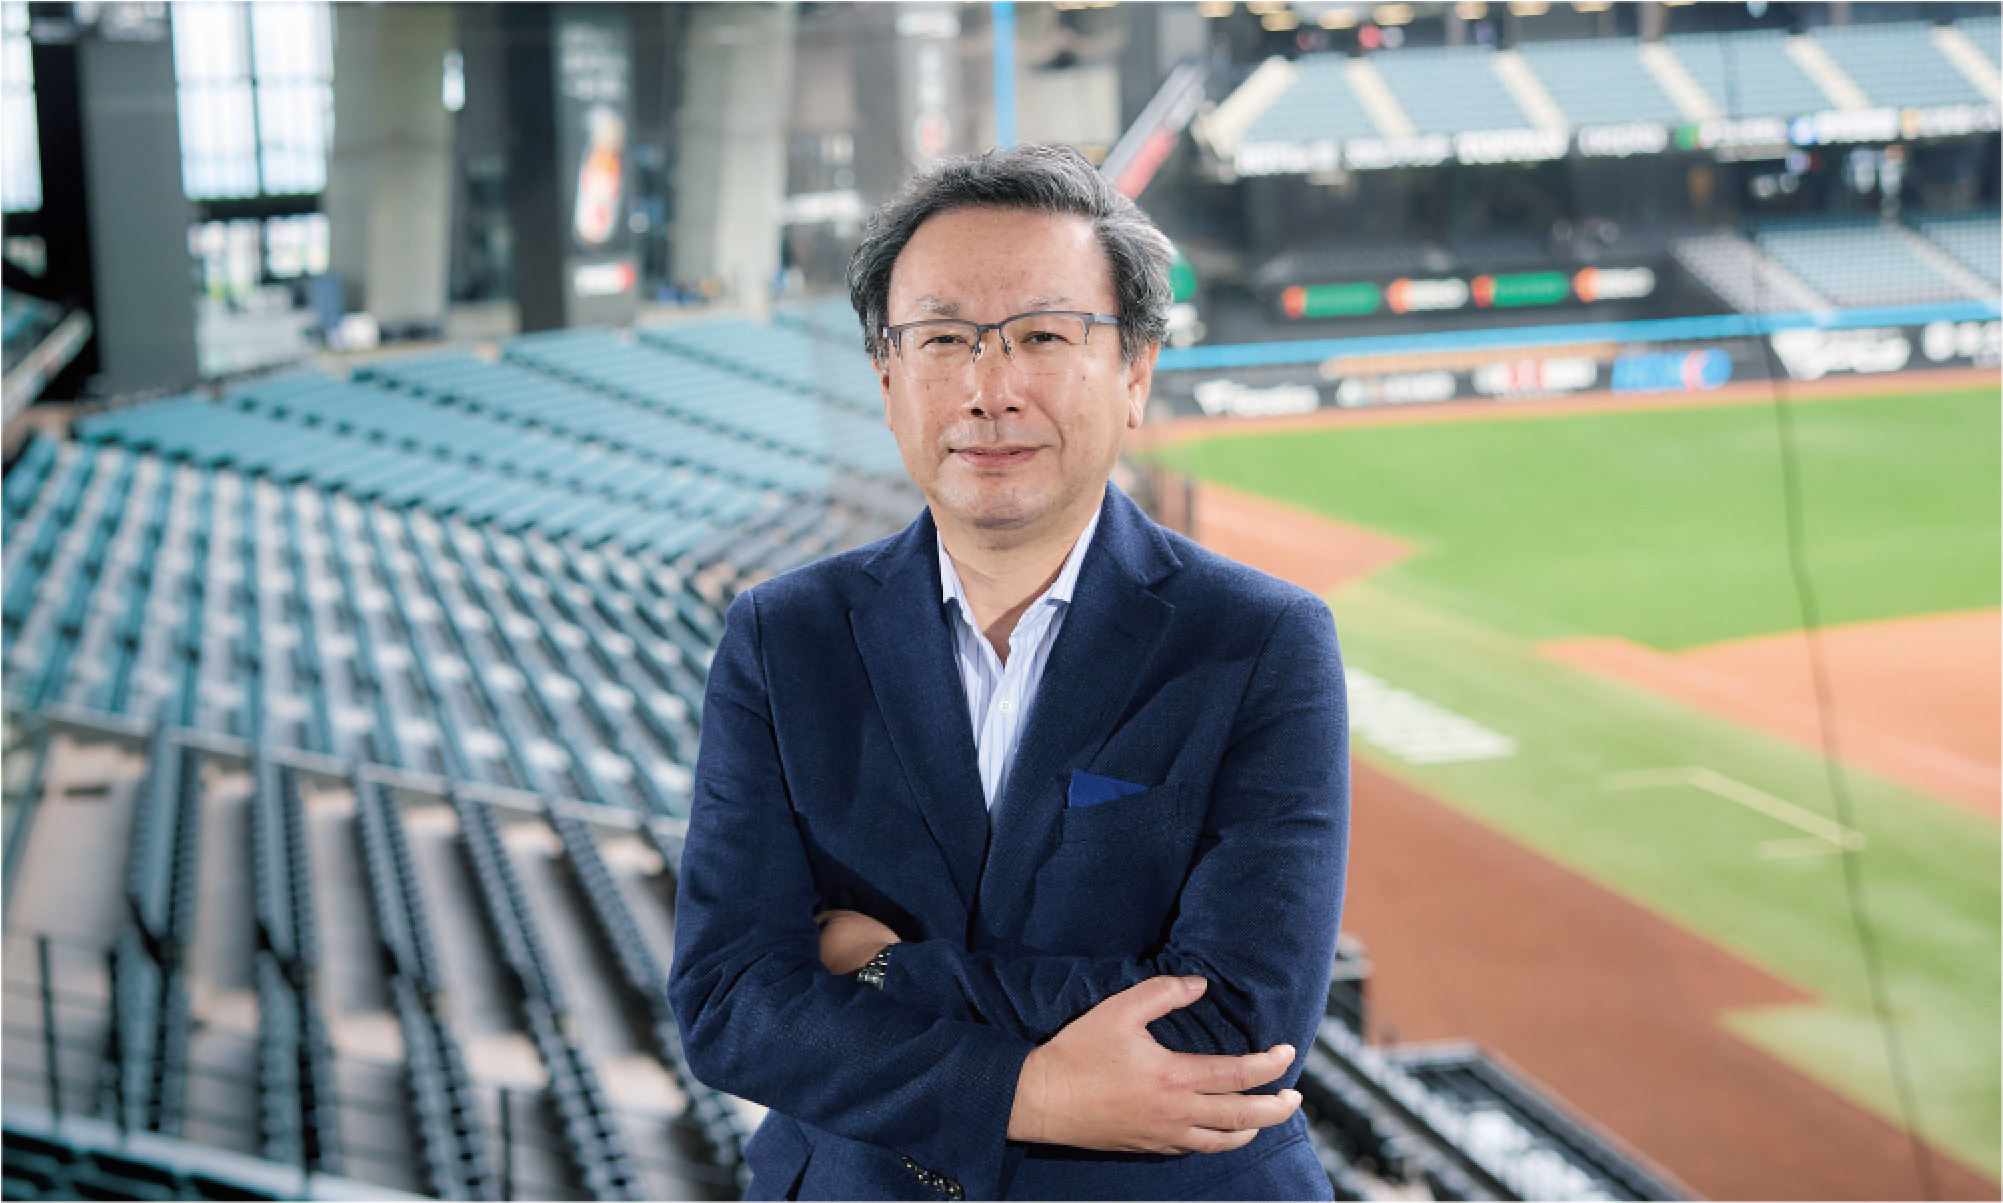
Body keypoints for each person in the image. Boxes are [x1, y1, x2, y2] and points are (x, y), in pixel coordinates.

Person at [668, 144, 1349, 1201]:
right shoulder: (782, 635)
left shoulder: (1261, 641)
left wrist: (878, 970)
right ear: (887, 378)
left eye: (1042, 335)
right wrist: (1027, 1091)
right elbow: (728, 1002)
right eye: (943, 339)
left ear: (1134, 372)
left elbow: (1235, 1022)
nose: (989, 390)